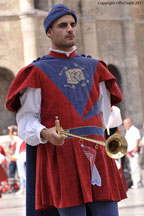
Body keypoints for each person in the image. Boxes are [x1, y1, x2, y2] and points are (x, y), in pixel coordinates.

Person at [6, 4, 127, 216]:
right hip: (61, 160)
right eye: (63, 25)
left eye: (72, 24)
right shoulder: (37, 72)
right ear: (49, 32)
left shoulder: (96, 67)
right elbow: (25, 121)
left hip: (99, 156)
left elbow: (105, 116)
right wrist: (45, 133)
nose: (70, 29)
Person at [123, 118, 142, 189]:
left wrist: (136, 147)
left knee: (135, 168)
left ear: (130, 123)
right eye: (124, 124)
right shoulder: (127, 131)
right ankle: (139, 182)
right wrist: (126, 153)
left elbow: (137, 138)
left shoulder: (135, 130)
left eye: (126, 124)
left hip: (134, 151)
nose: (125, 125)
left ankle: (136, 183)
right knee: (134, 167)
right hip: (129, 152)